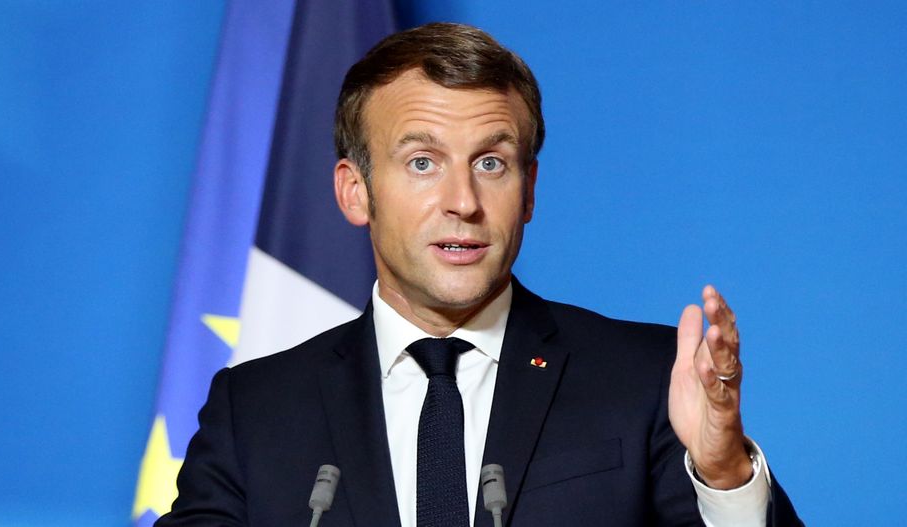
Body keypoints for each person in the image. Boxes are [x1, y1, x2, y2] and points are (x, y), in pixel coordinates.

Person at [157, 23, 802, 526]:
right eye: (422, 163)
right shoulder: (257, 410)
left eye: (491, 163)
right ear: (355, 192)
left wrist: (722, 473)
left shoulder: (644, 380)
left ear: (528, 191)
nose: (463, 201)